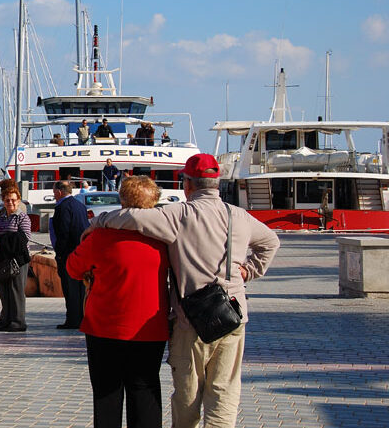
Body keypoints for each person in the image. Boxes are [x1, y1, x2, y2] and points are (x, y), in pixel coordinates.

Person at [89, 153, 280, 428]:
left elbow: (131, 217)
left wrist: (99, 222)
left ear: (187, 185)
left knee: (188, 400)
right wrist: (249, 270)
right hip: (232, 317)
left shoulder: (177, 214)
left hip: (190, 321)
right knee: (224, 398)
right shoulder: (238, 215)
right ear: (217, 184)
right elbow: (271, 242)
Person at [67, 176, 170, 428]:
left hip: (104, 326)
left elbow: (72, 268)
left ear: (122, 200)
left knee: (107, 396)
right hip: (150, 327)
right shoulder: (166, 239)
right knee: (145, 392)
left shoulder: (100, 236)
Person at [0, 184, 30, 332]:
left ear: (18, 200)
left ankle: (18, 321)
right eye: (7, 200)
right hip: (3, 259)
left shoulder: (22, 217)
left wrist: (3, 241)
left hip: (18, 259)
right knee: (4, 289)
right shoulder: (1, 217)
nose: (10, 203)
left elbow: (24, 238)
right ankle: (6, 319)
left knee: (16, 290)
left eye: (13, 200)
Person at [51, 179, 88, 329]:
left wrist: (59, 253)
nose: (54, 195)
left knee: (69, 287)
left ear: (59, 192)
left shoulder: (62, 208)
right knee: (81, 288)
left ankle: (73, 319)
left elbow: (63, 232)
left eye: (54, 192)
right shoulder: (80, 205)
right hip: (81, 252)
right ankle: (82, 317)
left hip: (68, 254)